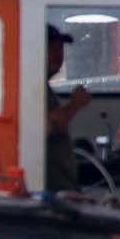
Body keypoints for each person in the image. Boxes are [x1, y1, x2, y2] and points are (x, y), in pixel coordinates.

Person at [43, 24, 92, 192]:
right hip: (51, 190)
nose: (58, 55)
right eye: (51, 49)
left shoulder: (45, 89)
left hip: (64, 186)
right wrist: (75, 104)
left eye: (60, 49)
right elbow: (46, 126)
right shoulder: (30, 89)